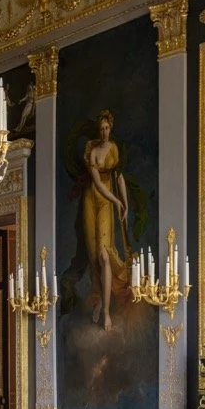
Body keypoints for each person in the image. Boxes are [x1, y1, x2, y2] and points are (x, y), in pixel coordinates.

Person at [82, 110, 130, 331]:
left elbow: (118, 178)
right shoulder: (92, 151)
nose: (104, 132)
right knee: (93, 256)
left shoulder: (114, 149)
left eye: (106, 128)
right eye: (101, 128)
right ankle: (101, 298)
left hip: (107, 202)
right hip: (93, 199)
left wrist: (125, 203)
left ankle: (107, 311)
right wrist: (116, 201)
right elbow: (98, 185)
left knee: (104, 255)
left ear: (111, 129)